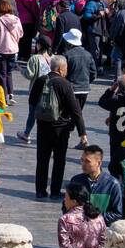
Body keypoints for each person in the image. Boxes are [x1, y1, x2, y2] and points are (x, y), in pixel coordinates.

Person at [27, 54, 87, 198]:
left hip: (42, 126)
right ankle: (55, 191)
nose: (67, 70)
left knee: (42, 159)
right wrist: (82, 132)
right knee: (59, 160)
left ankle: (40, 190)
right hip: (61, 128)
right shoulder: (65, 84)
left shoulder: (41, 80)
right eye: (66, 68)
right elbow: (75, 110)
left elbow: (32, 101)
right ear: (60, 69)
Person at [67, 144, 122, 225]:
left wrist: (94, 216)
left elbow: (117, 214)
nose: (83, 164)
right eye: (82, 160)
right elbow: (66, 207)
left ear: (99, 163)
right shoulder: (76, 181)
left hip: (102, 231)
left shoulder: (112, 184)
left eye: (87, 161)